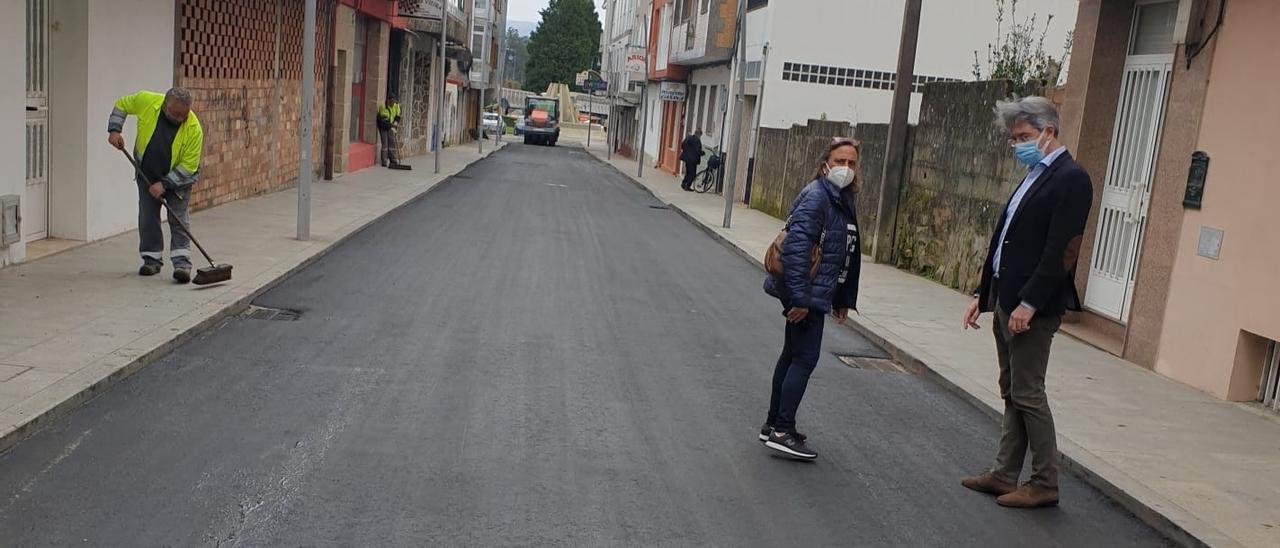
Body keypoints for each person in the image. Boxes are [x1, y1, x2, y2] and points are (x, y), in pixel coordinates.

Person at [960, 96, 1093, 508]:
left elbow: (1061, 250)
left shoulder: (1071, 179)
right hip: (1006, 298)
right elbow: (1008, 239)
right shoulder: (1036, 174)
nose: (1017, 144)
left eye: (1024, 136)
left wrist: (1030, 304)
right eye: (1013, 137)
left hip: (1031, 308)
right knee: (1011, 389)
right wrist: (984, 295)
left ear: (1049, 132)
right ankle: (1004, 474)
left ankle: (1044, 482)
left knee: (1029, 392)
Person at [760, 138, 862, 460]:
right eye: (840, 161)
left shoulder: (841, 199)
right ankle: (781, 430)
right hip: (805, 291)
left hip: (814, 292)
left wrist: (843, 297)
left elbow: (844, 252)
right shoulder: (818, 197)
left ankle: (773, 425)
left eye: (852, 163)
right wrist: (801, 299)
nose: (846, 168)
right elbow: (796, 250)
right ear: (825, 164)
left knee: (792, 356)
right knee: (804, 360)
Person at [107, 88, 204, 284]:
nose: (179, 118)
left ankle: (182, 265)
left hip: (178, 182)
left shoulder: (194, 128)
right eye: (175, 114)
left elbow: (189, 166)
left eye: (183, 115)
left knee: (178, 220)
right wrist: (115, 130)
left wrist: (165, 184)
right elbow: (122, 104)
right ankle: (151, 259)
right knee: (148, 216)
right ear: (165, 105)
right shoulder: (147, 102)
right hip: (147, 175)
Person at [378, 95, 403, 168]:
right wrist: (392, 127)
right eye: (391, 102)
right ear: (388, 101)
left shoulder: (396, 106)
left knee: (392, 142)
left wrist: (395, 122)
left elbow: (398, 116)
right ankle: (384, 161)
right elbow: (384, 121)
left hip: (391, 125)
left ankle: (393, 160)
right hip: (383, 126)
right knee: (385, 143)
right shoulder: (383, 107)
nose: (392, 104)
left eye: (394, 102)